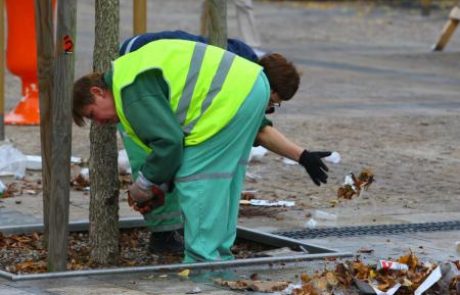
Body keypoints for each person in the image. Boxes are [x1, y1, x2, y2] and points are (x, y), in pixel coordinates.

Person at [72, 39, 330, 263]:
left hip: (235, 95)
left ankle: (202, 264)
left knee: (197, 180)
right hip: (248, 87)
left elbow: (169, 143)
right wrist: (302, 155)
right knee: (221, 180)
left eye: (93, 114)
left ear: (98, 92)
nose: (100, 122)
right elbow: (181, 140)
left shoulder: (129, 89)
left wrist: (144, 185)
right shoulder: (131, 76)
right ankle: (218, 254)